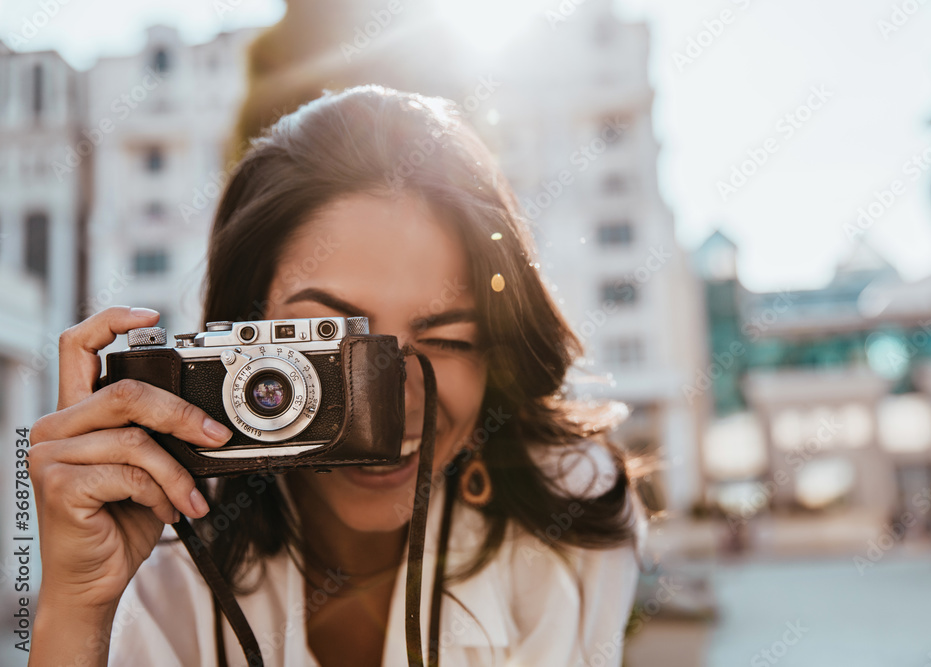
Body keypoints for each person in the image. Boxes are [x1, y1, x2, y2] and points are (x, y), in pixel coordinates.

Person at [28, 85, 642, 667]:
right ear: (243, 336)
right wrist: (77, 609)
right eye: (328, 340)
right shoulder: (154, 538)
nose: (388, 403)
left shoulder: (572, 513)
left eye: (449, 340)